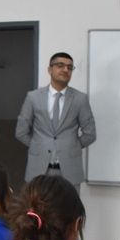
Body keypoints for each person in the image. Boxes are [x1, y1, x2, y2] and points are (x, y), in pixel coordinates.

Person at [16, 52, 96, 185]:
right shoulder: (33, 97)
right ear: (50, 69)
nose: (66, 70)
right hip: (38, 169)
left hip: (70, 171)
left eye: (69, 67)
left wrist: (72, 146)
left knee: (69, 200)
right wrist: (38, 146)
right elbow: (21, 132)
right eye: (60, 65)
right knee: (37, 199)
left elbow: (90, 134)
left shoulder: (80, 99)